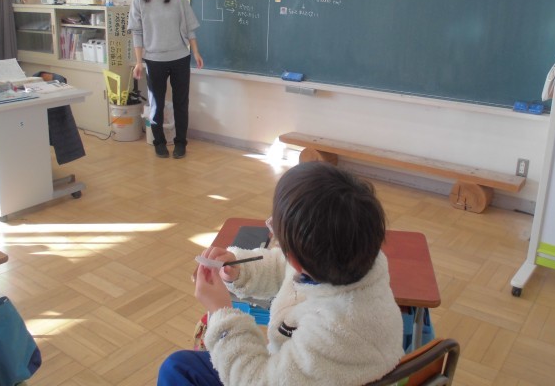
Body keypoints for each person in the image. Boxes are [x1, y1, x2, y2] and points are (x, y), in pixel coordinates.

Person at [157, 161, 404, 385]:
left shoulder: (335, 332)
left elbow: (256, 380)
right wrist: (240, 269)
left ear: (295, 258)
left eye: (276, 229)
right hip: (295, 368)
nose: (272, 230)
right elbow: (284, 267)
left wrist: (221, 314)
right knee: (178, 366)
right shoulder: (349, 253)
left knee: (175, 372)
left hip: (277, 375)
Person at [128, 0, 203, 159]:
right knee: (156, 104)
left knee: (181, 103)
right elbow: (137, 32)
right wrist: (139, 62)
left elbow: (189, 26)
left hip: (180, 57)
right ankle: (159, 142)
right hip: (154, 60)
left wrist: (195, 51)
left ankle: (180, 143)